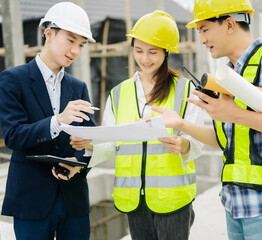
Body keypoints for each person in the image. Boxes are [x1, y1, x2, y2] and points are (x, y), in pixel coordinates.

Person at [152, 0, 262, 239]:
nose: (202, 40)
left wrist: (236, 114)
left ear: (229, 24)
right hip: (236, 206)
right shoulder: (229, 74)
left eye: (205, 29)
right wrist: (181, 123)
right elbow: (226, 141)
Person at [70, 10, 204, 240]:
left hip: (172, 200)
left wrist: (182, 144)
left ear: (166, 52)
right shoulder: (119, 93)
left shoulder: (186, 90)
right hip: (133, 200)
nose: (144, 59)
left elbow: (197, 143)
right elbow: (112, 143)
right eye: (138, 50)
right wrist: (90, 145)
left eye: (152, 52)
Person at [0, 2, 96, 239]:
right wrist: (58, 121)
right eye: (70, 40)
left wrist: (78, 160)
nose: (75, 50)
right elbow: (13, 135)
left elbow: (91, 139)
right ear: (49, 34)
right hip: (31, 199)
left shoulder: (78, 87)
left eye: (81, 45)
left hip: (73, 198)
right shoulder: (13, 79)